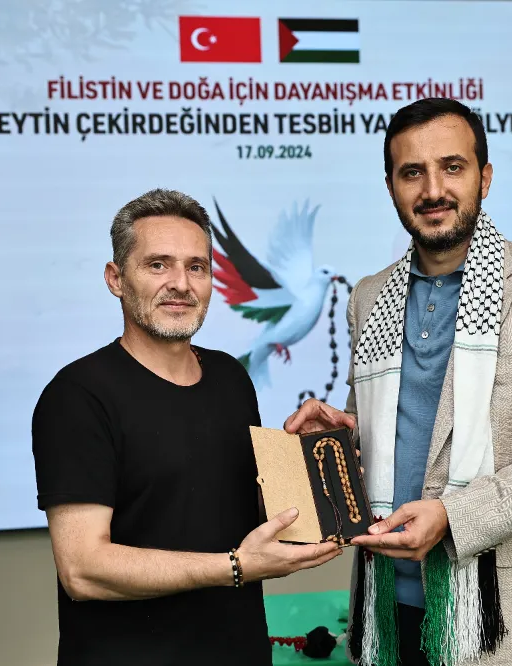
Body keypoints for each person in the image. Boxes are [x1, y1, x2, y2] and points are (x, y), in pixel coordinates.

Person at [284, 98, 512, 666]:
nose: (433, 190)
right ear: (391, 186)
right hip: (386, 616)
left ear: (485, 177)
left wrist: (454, 516)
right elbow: (397, 435)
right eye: (412, 172)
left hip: (507, 625)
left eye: (452, 167)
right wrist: (340, 437)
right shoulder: (368, 296)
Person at [32, 188, 342, 666]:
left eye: (196, 267)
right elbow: (83, 570)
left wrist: (306, 459)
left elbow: (245, 512)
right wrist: (235, 568)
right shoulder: (77, 396)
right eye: (158, 265)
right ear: (116, 278)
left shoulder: (231, 378)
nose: (180, 283)